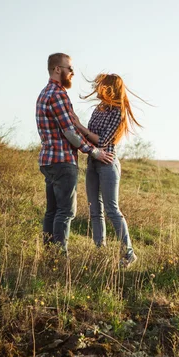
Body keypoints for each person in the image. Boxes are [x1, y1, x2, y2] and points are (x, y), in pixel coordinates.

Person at [36, 53, 113, 254]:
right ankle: (60, 258)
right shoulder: (58, 95)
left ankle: (48, 255)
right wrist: (94, 152)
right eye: (69, 68)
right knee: (66, 212)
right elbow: (69, 132)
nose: (72, 73)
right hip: (62, 161)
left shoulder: (44, 93)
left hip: (48, 160)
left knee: (52, 211)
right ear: (57, 69)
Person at [72, 73, 142, 268]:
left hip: (108, 163)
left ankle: (128, 253)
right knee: (95, 210)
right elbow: (90, 138)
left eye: (103, 86)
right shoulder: (98, 109)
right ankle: (99, 252)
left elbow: (102, 140)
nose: (98, 89)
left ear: (111, 88)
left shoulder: (118, 112)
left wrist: (79, 126)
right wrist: (83, 133)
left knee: (112, 209)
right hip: (93, 162)